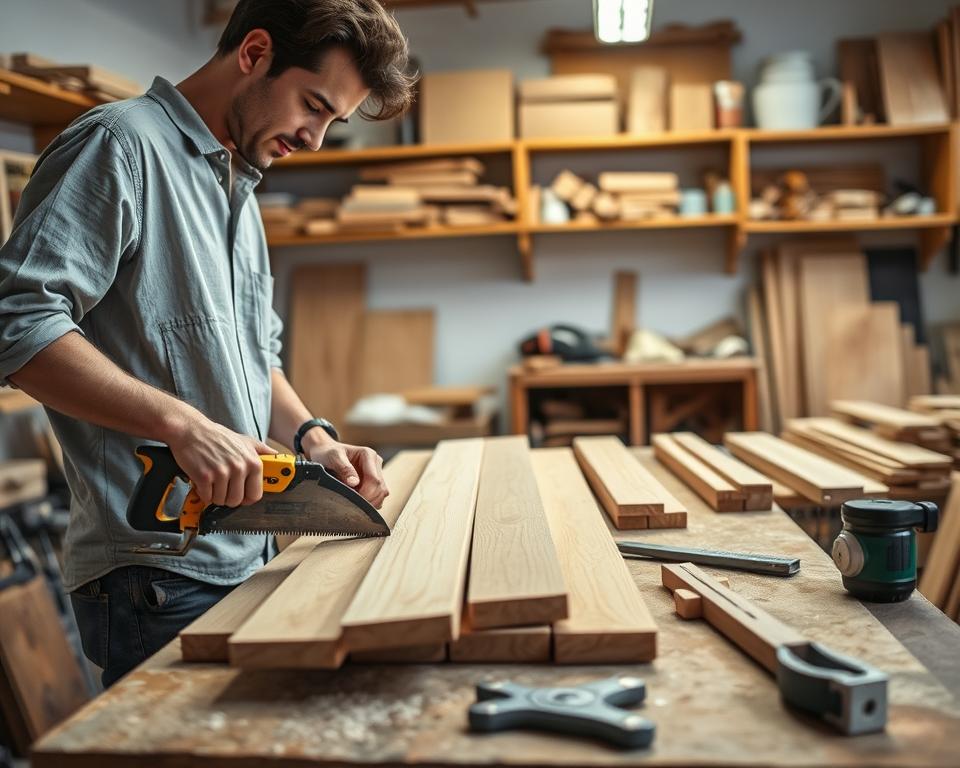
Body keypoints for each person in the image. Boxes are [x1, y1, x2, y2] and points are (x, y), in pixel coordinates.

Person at [0, 0, 415, 687]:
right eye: (313, 106)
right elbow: (17, 324)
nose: (315, 139)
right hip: (155, 575)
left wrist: (313, 439)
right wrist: (182, 425)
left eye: (331, 122)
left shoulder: (239, 187)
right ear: (254, 54)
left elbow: (255, 355)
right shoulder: (119, 146)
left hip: (242, 551)